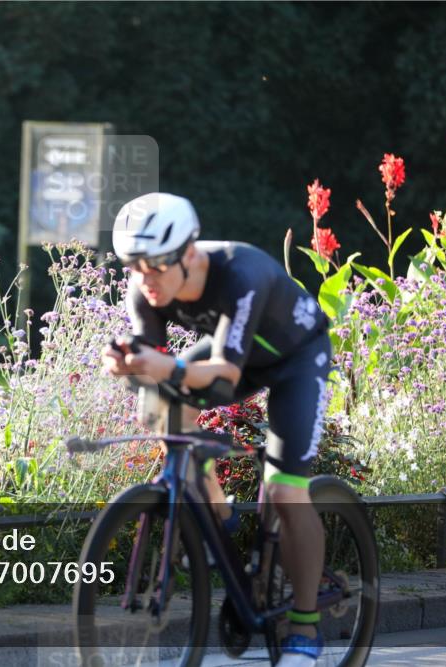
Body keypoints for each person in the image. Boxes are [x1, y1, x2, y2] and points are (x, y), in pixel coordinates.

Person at [102, 192, 333, 666]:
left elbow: (225, 377)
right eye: (134, 266)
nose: (145, 279)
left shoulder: (240, 272)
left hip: (294, 358)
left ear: (188, 253)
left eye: (156, 266)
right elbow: (156, 371)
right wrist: (128, 365)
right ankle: (219, 517)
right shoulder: (145, 287)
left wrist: (162, 369)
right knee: (159, 408)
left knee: (286, 492)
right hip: (239, 354)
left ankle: (305, 634)